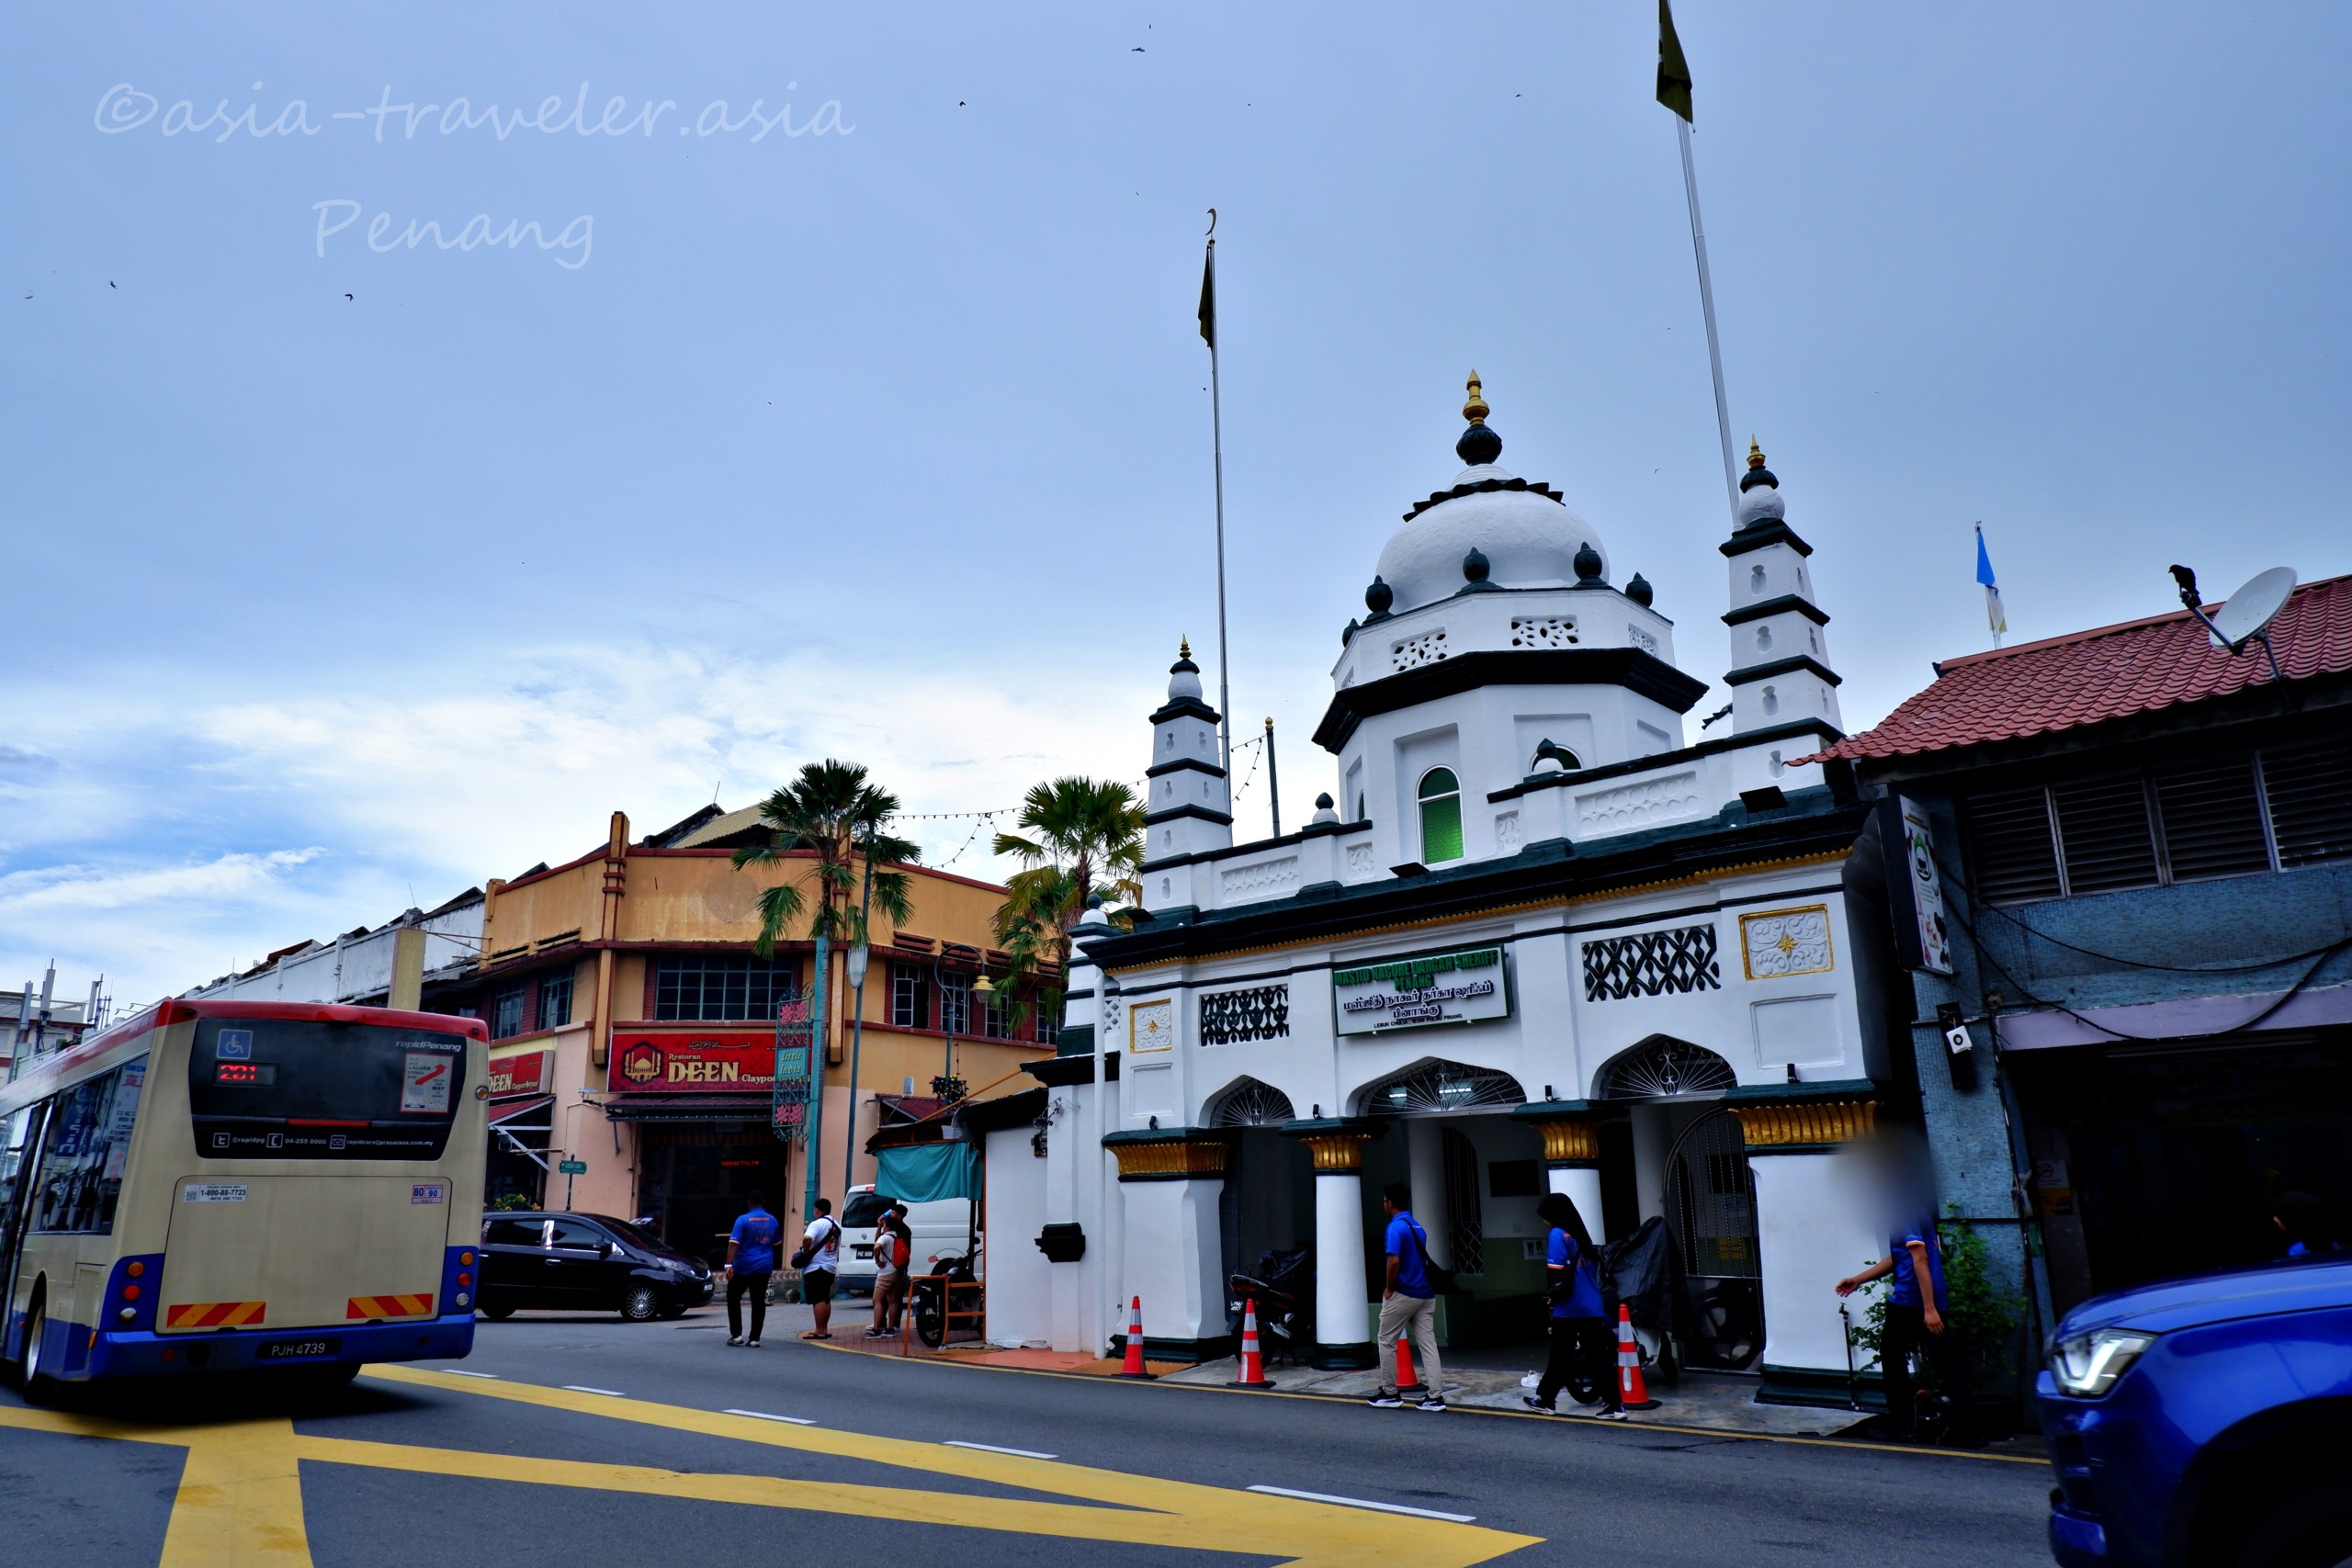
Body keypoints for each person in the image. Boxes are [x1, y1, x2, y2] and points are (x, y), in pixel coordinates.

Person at [1836, 1215, 1948, 1440]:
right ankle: (1965, 1428)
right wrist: (1859, 1279)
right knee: (1946, 1360)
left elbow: (1920, 1258)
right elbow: (1900, 1257)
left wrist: (1929, 1308)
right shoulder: (1919, 1210)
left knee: (1892, 1357)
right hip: (1930, 1298)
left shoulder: (1903, 1212)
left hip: (1910, 1299)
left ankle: (1901, 1423)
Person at [1522, 1192, 1624, 1420]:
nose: (1544, 1220)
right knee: (1598, 1357)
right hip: (1592, 1305)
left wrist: (1552, 1296)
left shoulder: (1558, 1235)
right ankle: (1615, 1405)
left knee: (1559, 1356)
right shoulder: (1580, 1234)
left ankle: (1546, 1400)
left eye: (1545, 1215)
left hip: (1569, 1308)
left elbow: (1555, 1272)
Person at [1367, 1181, 1445, 1412]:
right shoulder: (1417, 1227)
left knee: (1386, 1340)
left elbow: (1393, 1262)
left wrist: (1388, 1289)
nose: (1383, 1204)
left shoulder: (1395, 1228)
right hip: (1425, 1295)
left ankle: (1390, 1393)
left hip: (1403, 1293)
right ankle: (1435, 1396)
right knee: (1428, 1345)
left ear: (1390, 1203)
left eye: (1384, 1201)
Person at [723, 1190, 782, 1348]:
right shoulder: (772, 1220)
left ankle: (737, 1335)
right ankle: (755, 1338)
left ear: (749, 1202)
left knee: (733, 1297)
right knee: (758, 1301)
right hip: (764, 1266)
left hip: (743, 1266)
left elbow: (733, 1245)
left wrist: (728, 1265)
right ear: (763, 1202)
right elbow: (776, 1243)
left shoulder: (742, 1220)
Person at [796, 1196, 842, 1339]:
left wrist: (805, 1250)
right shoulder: (836, 1225)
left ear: (817, 1210)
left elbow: (807, 1238)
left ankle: (820, 1330)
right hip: (830, 1267)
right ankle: (824, 1329)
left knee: (818, 1299)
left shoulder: (817, 1224)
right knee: (825, 1298)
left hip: (817, 1267)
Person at [865, 1202, 910, 1338]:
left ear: (900, 1215)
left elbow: (876, 1245)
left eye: (893, 1213)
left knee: (877, 1300)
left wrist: (877, 1261)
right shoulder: (898, 1232)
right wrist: (881, 1226)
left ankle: (877, 1327)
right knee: (893, 1300)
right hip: (898, 1270)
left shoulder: (893, 1233)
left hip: (887, 1271)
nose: (891, 1214)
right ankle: (890, 1327)